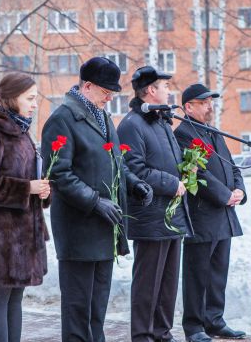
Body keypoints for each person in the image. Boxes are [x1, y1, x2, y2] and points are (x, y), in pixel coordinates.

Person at [41, 57, 153, 342]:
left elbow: (117, 162)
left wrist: (135, 184)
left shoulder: (102, 117)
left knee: (96, 310)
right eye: (106, 92)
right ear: (87, 86)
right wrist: (95, 201)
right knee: (78, 309)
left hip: (105, 229)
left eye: (112, 93)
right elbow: (59, 174)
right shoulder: (62, 119)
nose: (109, 97)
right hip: (79, 230)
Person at [0, 73, 51, 342]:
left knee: (16, 297)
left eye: (35, 98)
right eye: (30, 98)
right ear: (12, 98)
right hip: (0, 233)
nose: (35, 104)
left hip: (23, 232)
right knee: (0, 295)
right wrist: (27, 188)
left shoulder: (20, 130)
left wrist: (43, 190)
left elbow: (27, 176)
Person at [117, 66, 193, 342]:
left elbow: (168, 163)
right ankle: (142, 334)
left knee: (169, 280)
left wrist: (186, 172)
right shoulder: (131, 125)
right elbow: (133, 168)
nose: (168, 91)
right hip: (150, 215)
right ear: (150, 90)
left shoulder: (161, 122)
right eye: (164, 86)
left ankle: (162, 332)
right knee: (148, 281)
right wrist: (171, 183)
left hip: (171, 215)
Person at [174, 84, 247, 342]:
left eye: (210, 101)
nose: (209, 106)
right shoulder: (183, 134)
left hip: (224, 216)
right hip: (202, 217)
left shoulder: (213, 132)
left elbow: (231, 165)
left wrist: (239, 189)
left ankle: (214, 321)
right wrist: (224, 195)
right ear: (188, 107)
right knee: (197, 275)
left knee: (218, 273)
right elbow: (196, 173)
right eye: (203, 102)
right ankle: (194, 327)